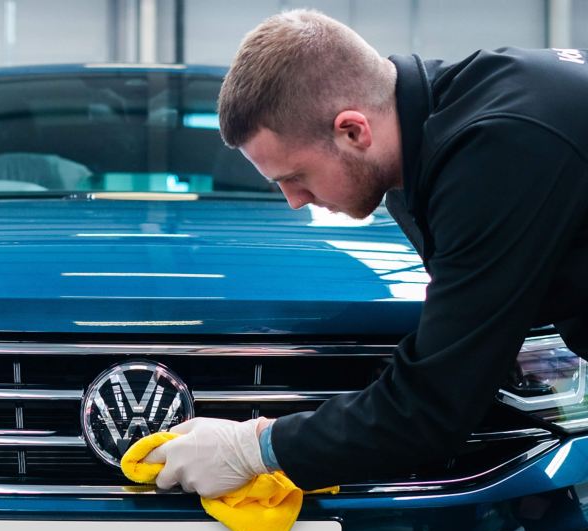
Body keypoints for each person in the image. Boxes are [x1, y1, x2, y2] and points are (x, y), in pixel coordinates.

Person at [144, 9, 588, 498]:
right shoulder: (419, 150)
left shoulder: (498, 150)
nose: (294, 200)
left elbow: (435, 407)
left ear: (353, 131)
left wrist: (255, 447)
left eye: (294, 176)